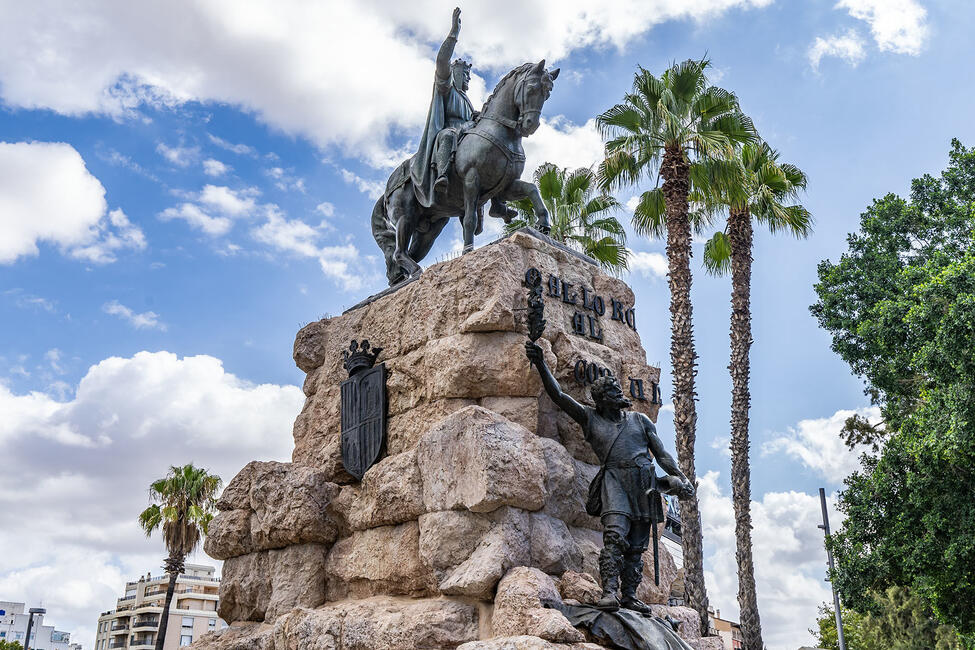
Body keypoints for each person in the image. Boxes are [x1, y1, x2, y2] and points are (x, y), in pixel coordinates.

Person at [525, 341, 694, 612]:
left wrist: (680, 478)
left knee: (637, 546)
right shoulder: (590, 418)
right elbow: (557, 395)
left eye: (618, 390)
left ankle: (629, 595)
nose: (619, 395)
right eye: (613, 392)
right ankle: (609, 592)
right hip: (614, 481)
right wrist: (541, 362)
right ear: (601, 400)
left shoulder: (640, 420)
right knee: (615, 536)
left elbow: (661, 454)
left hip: (643, 484)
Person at [410, 8, 516, 223]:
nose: (467, 78)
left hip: (468, 134)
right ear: (455, 73)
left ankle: (497, 202)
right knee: (448, 135)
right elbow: (441, 62)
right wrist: (453, 35)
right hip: (450, 132)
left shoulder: (468, 102)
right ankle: (442, 175)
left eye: (469, 75)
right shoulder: (447, 88)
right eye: (464, 74)